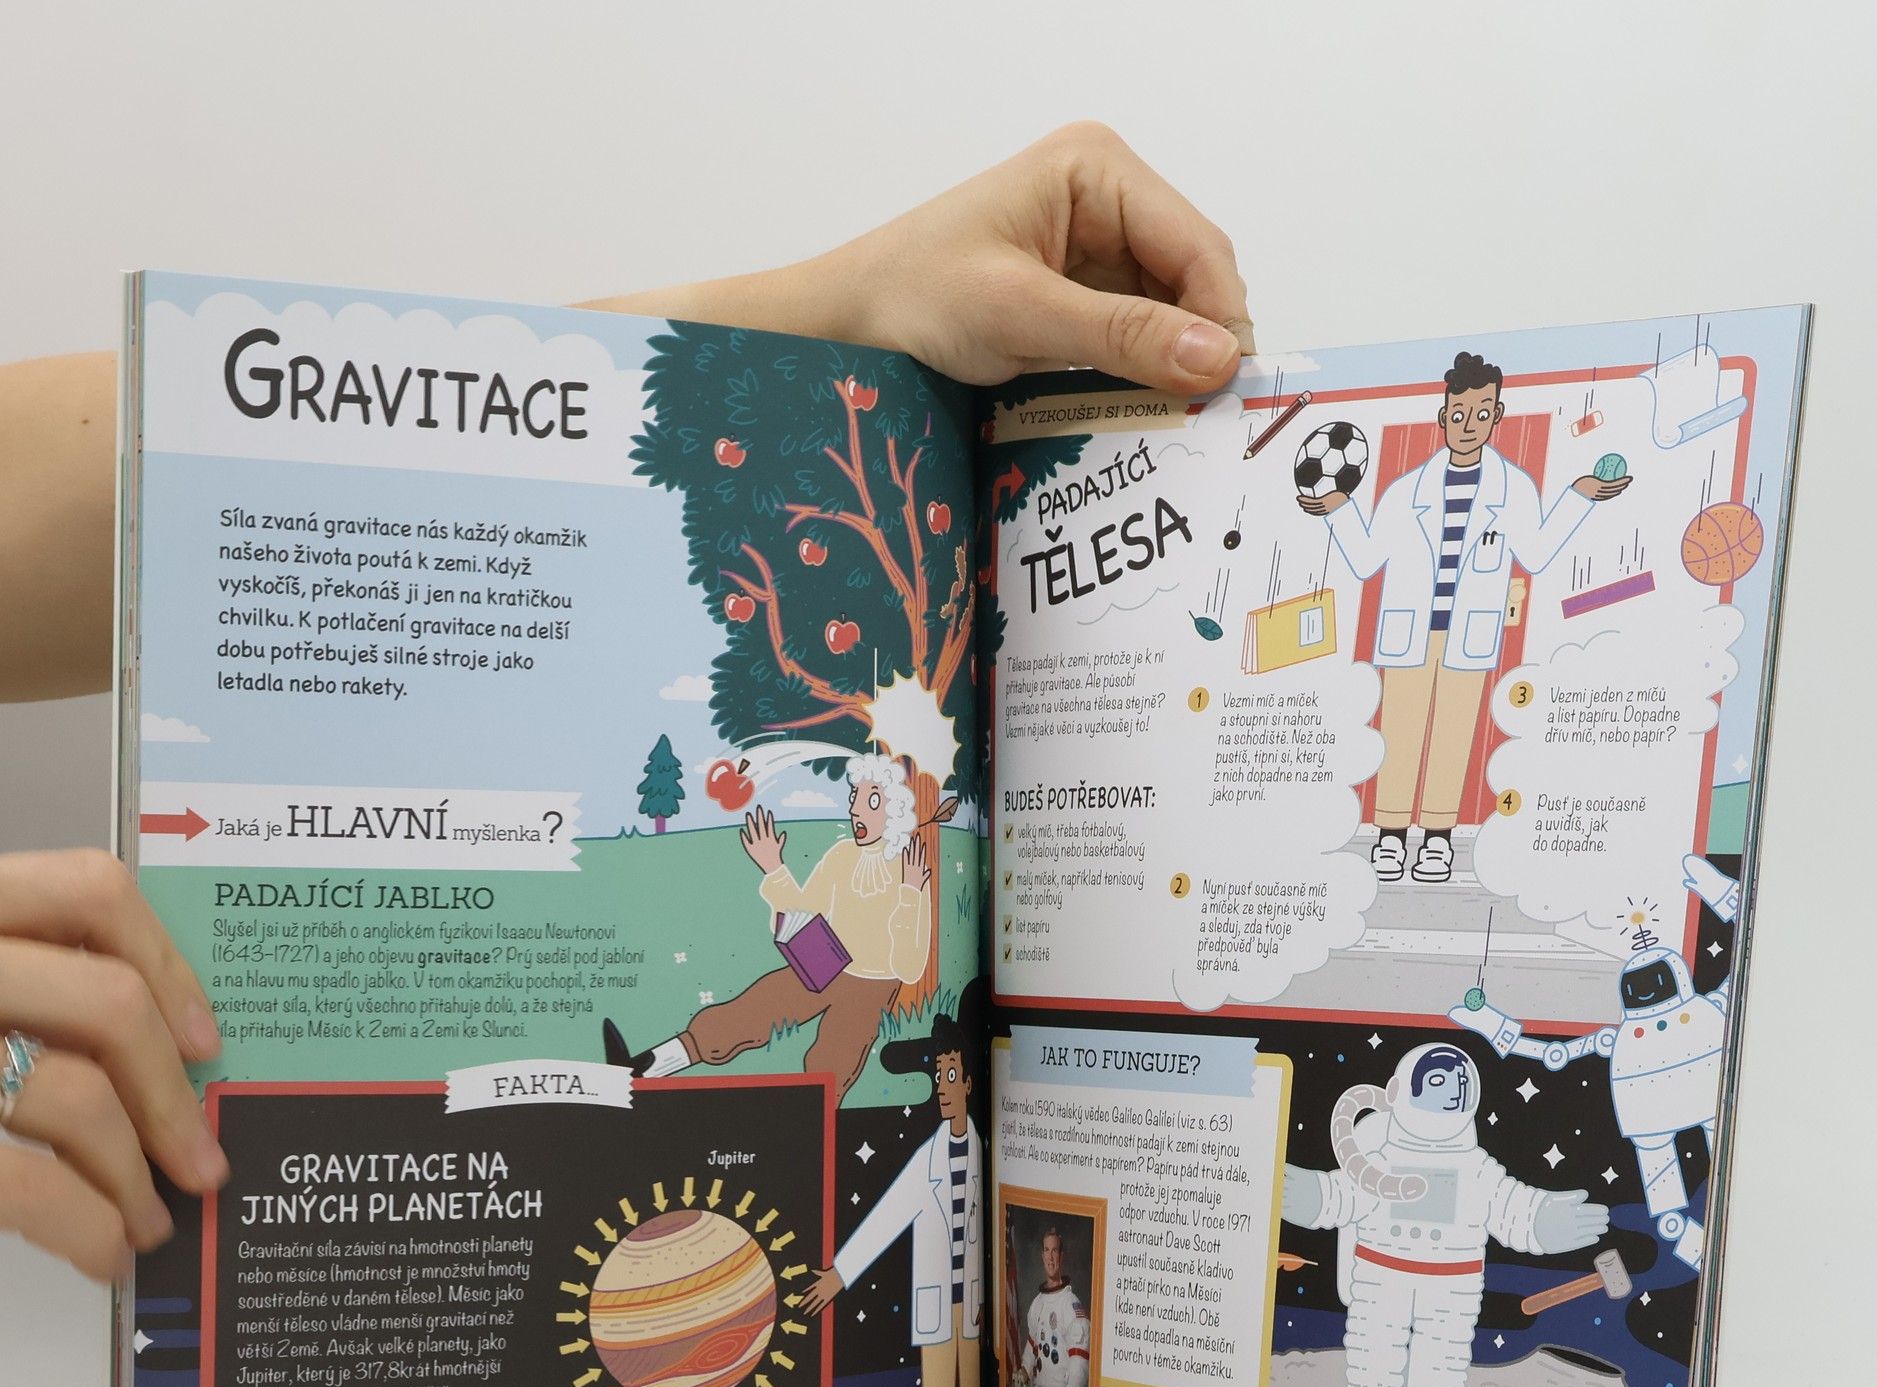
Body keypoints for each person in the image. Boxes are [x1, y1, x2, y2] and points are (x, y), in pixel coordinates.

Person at [0, 123, 1255, 1289]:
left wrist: (846, 307)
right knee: (754, 1013)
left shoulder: (910, 865)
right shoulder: (862, 850)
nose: (867, 796)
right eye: (868, 786)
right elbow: (813, 922)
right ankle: (662, 1069)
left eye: (882, 788)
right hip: (826, 967)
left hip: (860, 985)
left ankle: (778, 1117)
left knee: (820, 1045)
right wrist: (778, 881)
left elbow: (176, 470)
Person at [1298, 350, 1632, 885]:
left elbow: (1537, 553)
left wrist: (1579, 497)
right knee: (1401, 734)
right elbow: (1364, 561)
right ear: (1443, 417)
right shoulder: (1405, 492)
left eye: (1480, 414)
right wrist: (1339, 509)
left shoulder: (1513, 489)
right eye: (1458, 414)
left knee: (1452, 736)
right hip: (1409, 634)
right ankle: (1389, 835)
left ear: (1496, 416)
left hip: (1468, 637)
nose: (1468, 425)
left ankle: (1436, 838)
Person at [1279, 1042, 1609, 1387]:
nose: (1450, 1092)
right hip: (1382, 1278)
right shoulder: (1377, 1160)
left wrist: (1544, 1221)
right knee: (1375, 1366)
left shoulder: (1474, 1168)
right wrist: (1310, 1195)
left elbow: (1511, 1207)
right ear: (1400, 1091)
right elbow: (1342, 1195)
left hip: (1451, 1290)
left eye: (1458, 1085)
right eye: (1436, 1082)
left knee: (1441, 1374)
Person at [603, 755, 931, 1105]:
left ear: (894, 810)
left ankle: (812, 1124)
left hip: (873, 983)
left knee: (834, 1057)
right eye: (855, 797)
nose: (855, 809)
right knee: (745, 1014)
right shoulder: (841, 855)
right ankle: (641, 1070)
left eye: (872, 800)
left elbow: (910, 968)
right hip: (827, 963)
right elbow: (804, 913)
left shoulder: (908, 868)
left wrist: (910, 893)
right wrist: (775, 868)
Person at [798, 1013, 981, 1387]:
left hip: (973, 1307)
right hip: (938, 1306)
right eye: (938, 1075)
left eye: (950, 1075)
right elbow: (887, 1217)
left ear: (968, 1082)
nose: (942, 1088)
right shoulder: (928, 1159)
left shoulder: (979, 1146)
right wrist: (840, 1274)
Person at [1015, 1225, 1091, 1387]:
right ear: (1042, 1256)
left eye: (1054, 1251)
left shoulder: (1071, 1305)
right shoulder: (1038, 1303)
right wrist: (1024, 1371)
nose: (1050, 1257)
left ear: (1061, 1256)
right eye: (1046, 1251)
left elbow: (1080, 1365)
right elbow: (1033, 1344)